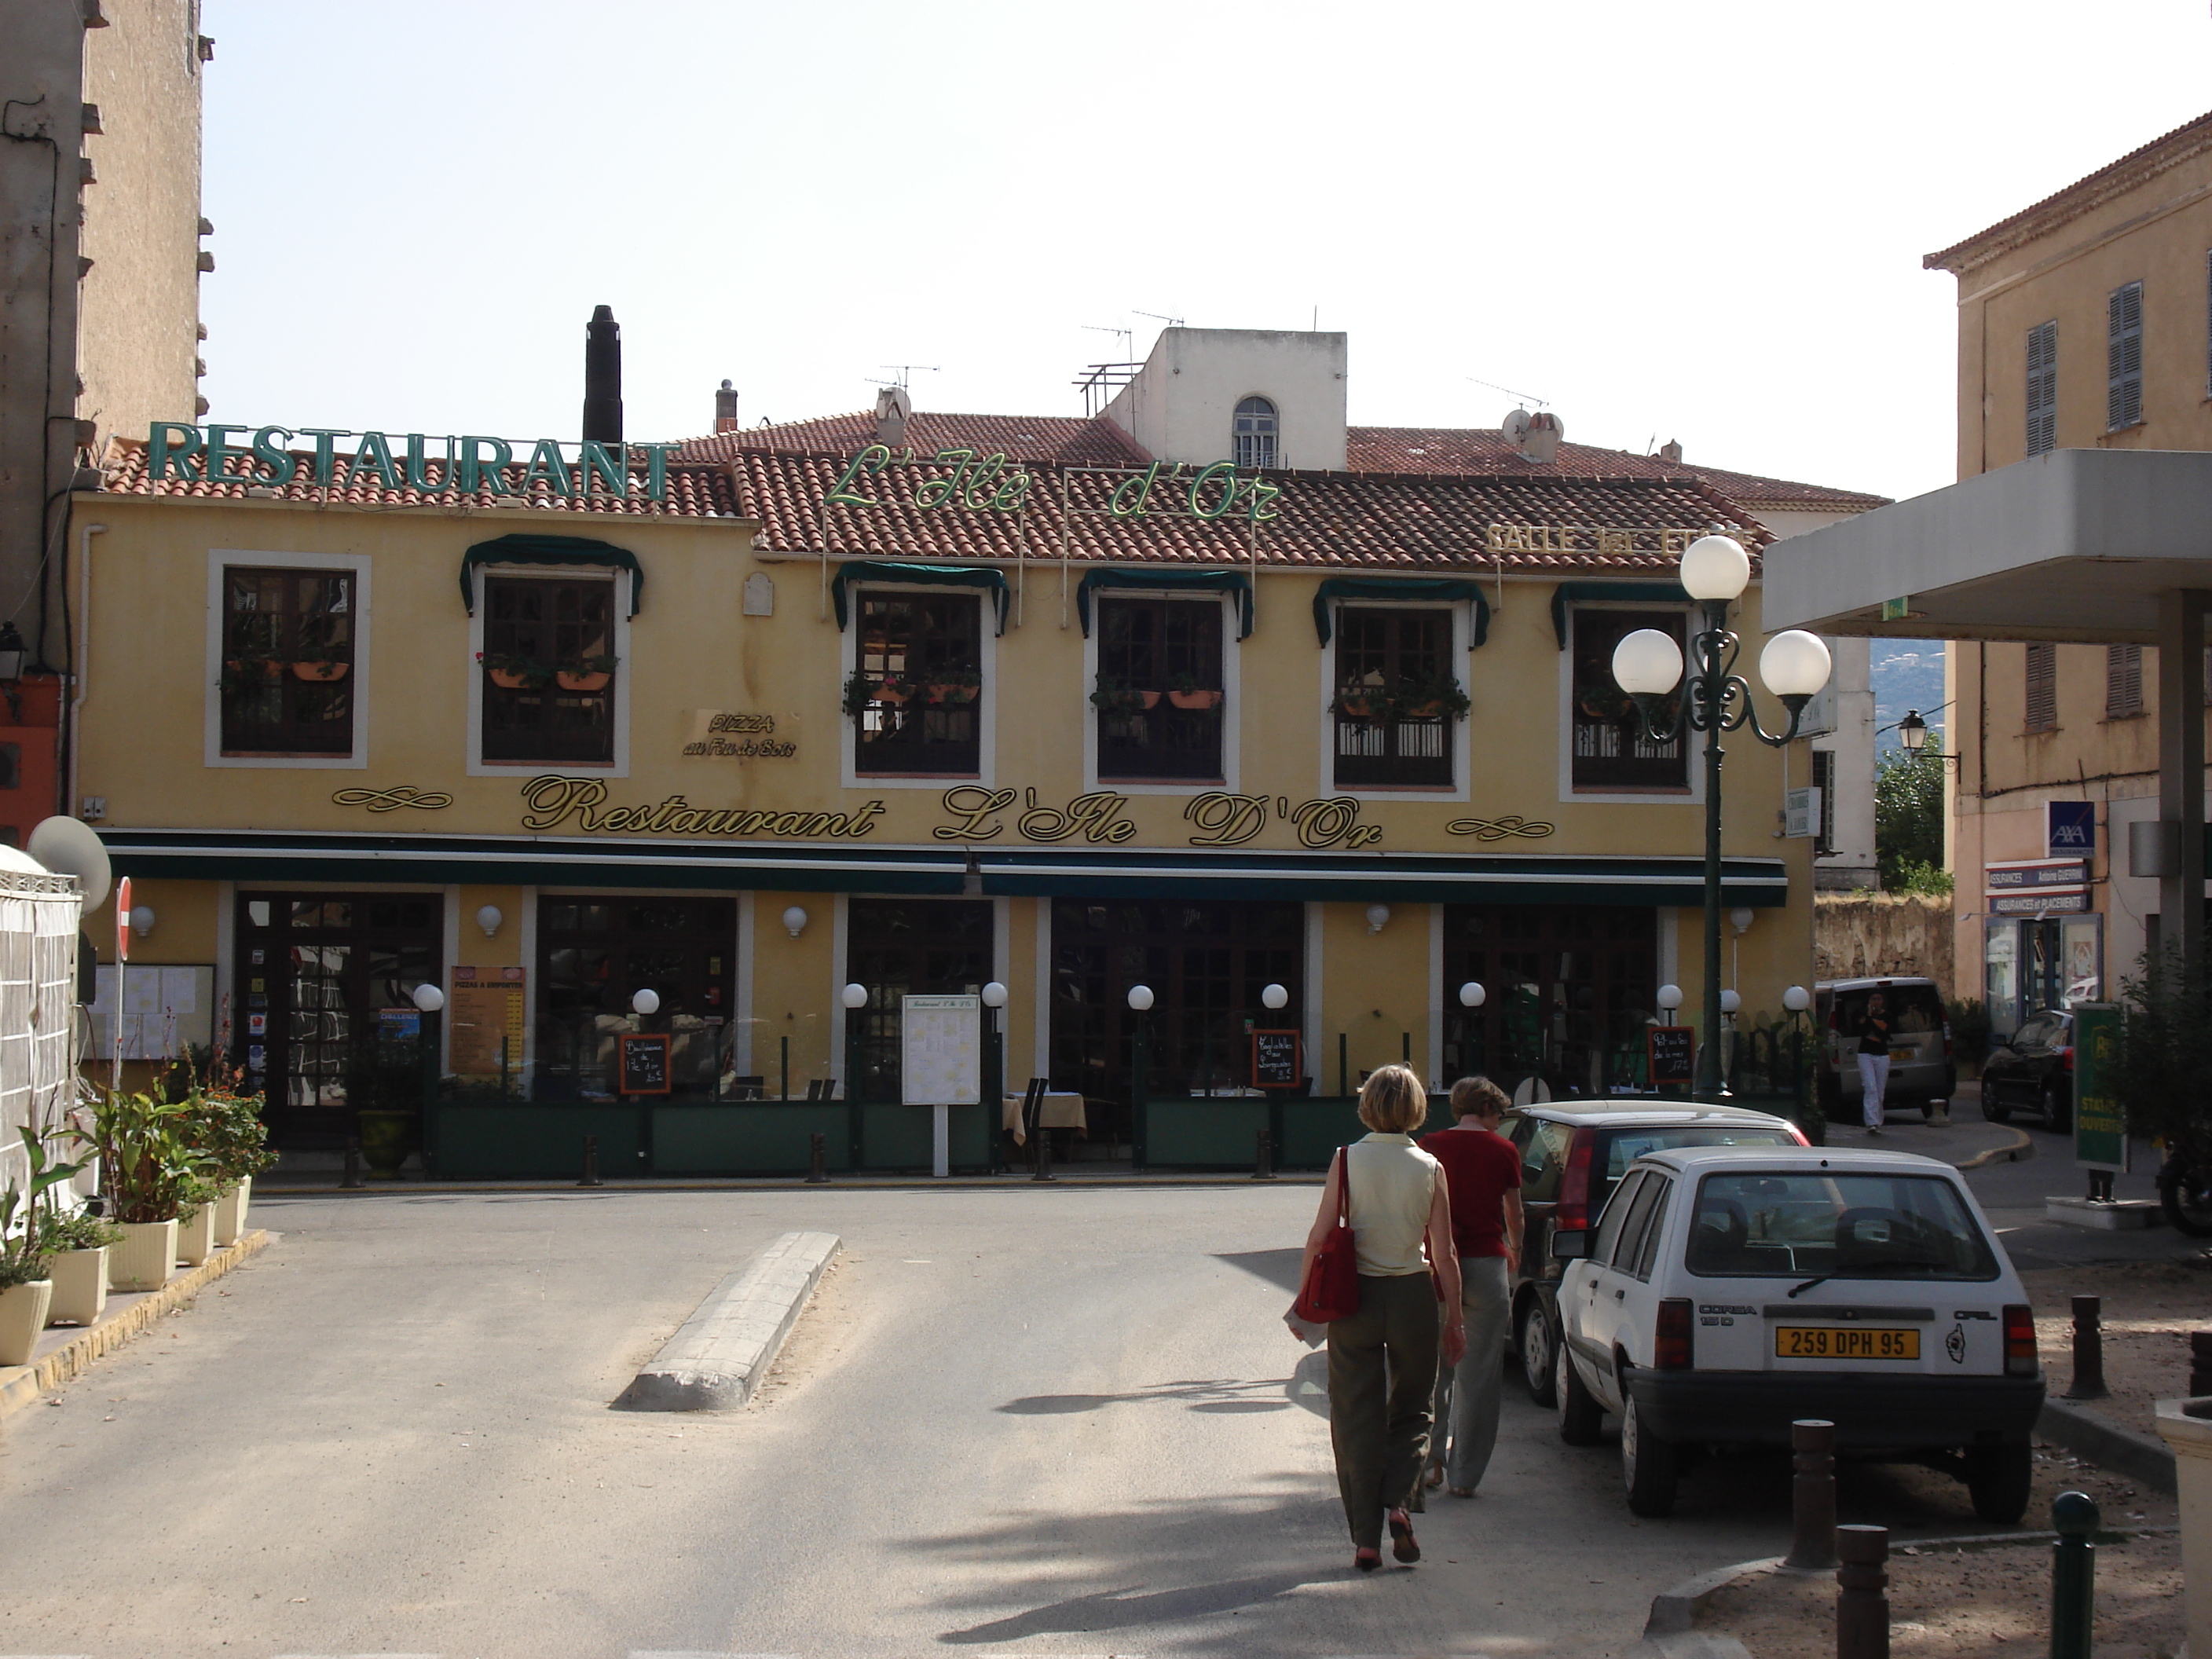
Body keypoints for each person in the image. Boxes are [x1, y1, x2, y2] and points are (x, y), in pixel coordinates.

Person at [1287, 1064, 1464, 1573]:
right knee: (1414, 1408)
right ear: (1416, 1107)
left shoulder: (1346, 1160)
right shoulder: (1430, 1167)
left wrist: (1306, 1304)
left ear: (1367, 1105)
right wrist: (1454, 1319)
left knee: (1355, 1416)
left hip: (1355, 1299)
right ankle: (1400, 1506)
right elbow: (1444, 1253)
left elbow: (1321, 1237)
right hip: (1411, 1294)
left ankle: (1365, 1540)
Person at [1417, 1075, 1524, 1496]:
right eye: (1499, 1114)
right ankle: (1466, 1474)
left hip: (1438, 1268)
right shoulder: (1504, 1150)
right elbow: (1513, 1211)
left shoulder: (1429, 1147)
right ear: (1490, 1110)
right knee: (1478, 1376)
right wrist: (1516, 1249)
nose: (1500, 1122)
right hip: (1485, 1263)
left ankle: (1429, 1464)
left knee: (1435, 1373)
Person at [1855, 991, 1891, 1133]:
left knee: (1880, 1090)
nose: (1876, 1002)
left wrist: (1872, 1023)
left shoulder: (1887, 1016)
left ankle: (1878, 1120)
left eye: (1879, 999)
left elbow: (1884, 1033)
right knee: (1870, 1087)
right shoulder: (1863, 1015)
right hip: (1865, 1055)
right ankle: (1871, 1123)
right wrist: (1869, 1017)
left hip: (1882, 1055)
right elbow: (1861, 1029)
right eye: (1873, 999)